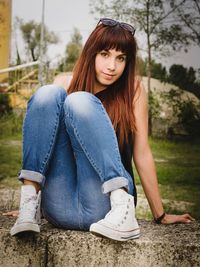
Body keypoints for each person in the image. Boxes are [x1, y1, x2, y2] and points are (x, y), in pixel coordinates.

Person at [4, 18, 194, 241]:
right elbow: (45, 145)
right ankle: (29, 203)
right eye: (105, 54)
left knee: (79, 101)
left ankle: (123, 209)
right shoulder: (64, 82)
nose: (112, 66)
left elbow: (141, 153)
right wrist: (35, 194)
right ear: (91, 53)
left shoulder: (133, 90)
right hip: (59, 207)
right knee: (48, 93)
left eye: (120, 58)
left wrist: (159, 214)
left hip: (106, 205)